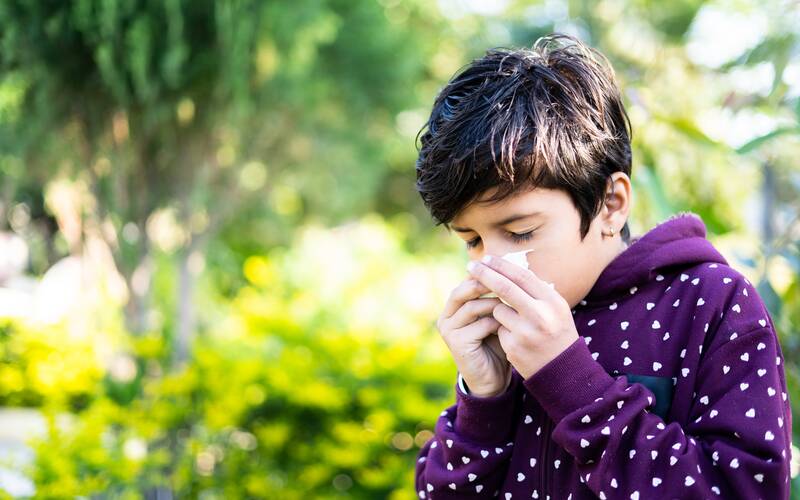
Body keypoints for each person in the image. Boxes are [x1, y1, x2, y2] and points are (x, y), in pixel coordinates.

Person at [412, 32, 792, 499]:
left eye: (521, 232)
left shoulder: (711, 303)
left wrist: (569, 379)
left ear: (611, 204)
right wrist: (483, 400)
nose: (489, 264)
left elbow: (745, 490)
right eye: (471, 240)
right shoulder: (505, 335)